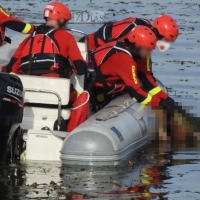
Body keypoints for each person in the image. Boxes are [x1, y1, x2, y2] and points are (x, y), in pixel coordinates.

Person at [6, 2, 89, 132]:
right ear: (61, 20)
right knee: (83, 97)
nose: (67, 25)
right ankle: (71, 133)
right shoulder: (67, 37)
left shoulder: (27, 40)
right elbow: (81, 69)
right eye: (66, 22)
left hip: (28, 95)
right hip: (57, 95)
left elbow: (12, 68)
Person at [81, 14, 179, 102]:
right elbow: (116, 57)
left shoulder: (144, 40)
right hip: (87, 49)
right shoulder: (136, 38)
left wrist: (166, 99)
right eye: (164, 40)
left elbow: (146, 75)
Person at [91, 25, 171, 107]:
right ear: (137, 46)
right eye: (147, 49)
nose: (149, 54)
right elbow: (137, 94)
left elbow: (148, 81)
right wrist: (161, 103)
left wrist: (167, 99)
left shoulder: (136, 53)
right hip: (95, 88)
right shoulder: (125, 60)